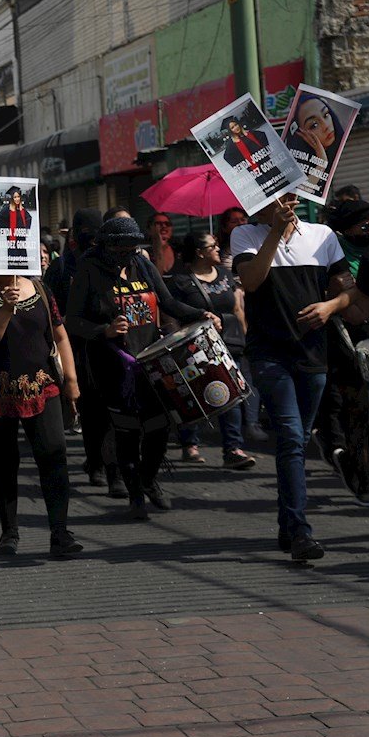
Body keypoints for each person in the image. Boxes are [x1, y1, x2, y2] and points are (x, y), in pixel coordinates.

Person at [65, 217, 218, 520]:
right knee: (127, 432)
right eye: (121, 249)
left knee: (160, 427)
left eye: (131, 248)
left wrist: (201, 314)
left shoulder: (141, 264)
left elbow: (168, 302)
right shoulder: (88, 270)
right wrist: (104, 330)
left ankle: (149, 479)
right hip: (112, 365)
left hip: (150, 359)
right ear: (105, 247)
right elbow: (73, 320)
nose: (126, 255)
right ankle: (135, 493)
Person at [231, 195, 355, 561]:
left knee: (296, 441)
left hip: (313, 354)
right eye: (276, 199)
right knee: (290, 437)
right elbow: (251, 282)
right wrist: (274, 233)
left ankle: (288, 525)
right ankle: (301, 531)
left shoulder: (322, 235)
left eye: (290, 197)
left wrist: (330, 306)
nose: (287, 204)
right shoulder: (245, 235)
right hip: (270, 354)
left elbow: (348, 289)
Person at [0, 274, 83, 557]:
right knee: (4, 461)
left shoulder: (39, 287)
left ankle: (60, 532)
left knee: (53, 452)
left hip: (42, 385)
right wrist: (5, 309)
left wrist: (71, 381)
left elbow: (59, 334)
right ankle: (9, 531)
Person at [313, 199, 369, 506]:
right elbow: (356, 312)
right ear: (346, 229)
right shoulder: (335, 256)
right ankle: (362, 479)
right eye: (364, 227)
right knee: (356, 408)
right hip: (347, 342)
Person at [167, 233, 257, 470]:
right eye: (212, 246)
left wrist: (245, 338)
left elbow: (237, 308)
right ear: (199, 252)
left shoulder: (226, 275)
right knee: (195, 394)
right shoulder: (181, 281)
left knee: (232, 395)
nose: (218, 249)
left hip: (229, 343)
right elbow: (172, 314)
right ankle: (189, 444)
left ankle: (233, 449)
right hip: (195, 347)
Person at [44, 208, 119, 492]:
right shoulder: (60, 268)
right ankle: (96, 463)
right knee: (91, 412)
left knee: (111, 412)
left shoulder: (111, 264)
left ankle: (114, 471)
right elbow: (52, 315)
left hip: (110, 345)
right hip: (76, 350)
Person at [285, 92, 348, 194]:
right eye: (314, 125)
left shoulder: (344, 150)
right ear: (301, 134)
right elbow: (301, 194)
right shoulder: (296, 171)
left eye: (326, 115)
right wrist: (321, 164)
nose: (326, 125)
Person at [0, 187, 32, 269]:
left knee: (23, 261)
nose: (17, 199)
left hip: (21, 241)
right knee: (13, 262)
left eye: (18, 197)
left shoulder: (22, 209)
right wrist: (6, 230)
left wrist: (25, 230)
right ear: (11, 198)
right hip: (12, 240)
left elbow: (29, 218)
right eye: (15, 197)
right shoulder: (7, 209)